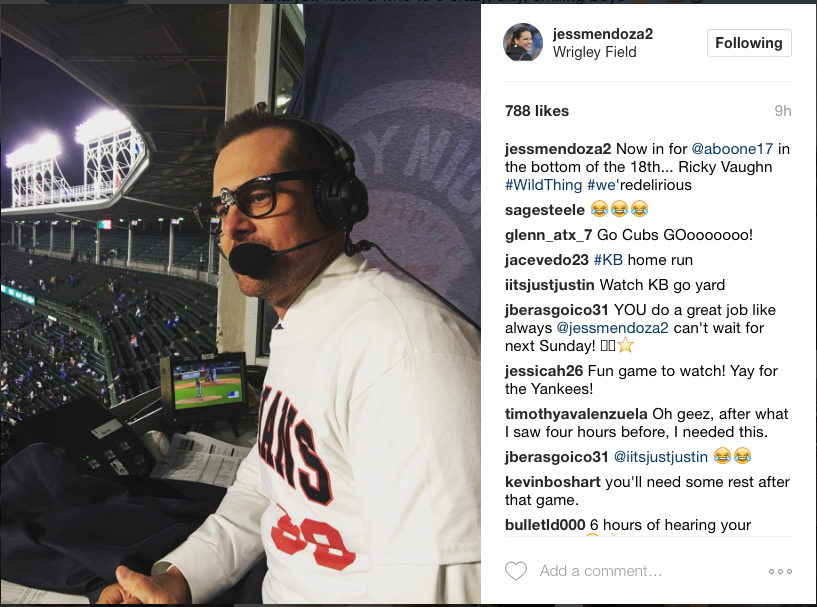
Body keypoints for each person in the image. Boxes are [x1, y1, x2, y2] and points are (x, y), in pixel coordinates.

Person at [98, 106, 480, 604]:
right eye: (220, 208)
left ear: (333, 202)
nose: (231, 226)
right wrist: (180, 578)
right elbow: (267, 482)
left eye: (258, 197)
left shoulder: (405, 353)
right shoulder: (305, 322)